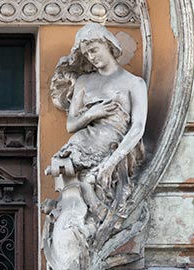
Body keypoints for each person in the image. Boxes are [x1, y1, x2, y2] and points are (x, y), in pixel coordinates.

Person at [49, 23, 147, 220]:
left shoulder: (134, 83)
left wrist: (112, 162)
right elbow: (71, 125)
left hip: (114, 144)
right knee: (67, 171)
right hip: (84, 140)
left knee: (87, 181)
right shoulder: (84, 82)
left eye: (94, 50)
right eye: (87, 54)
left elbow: (138, 127)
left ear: (108, 45)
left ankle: (101, 211)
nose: (92, 57)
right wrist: (92, 113)